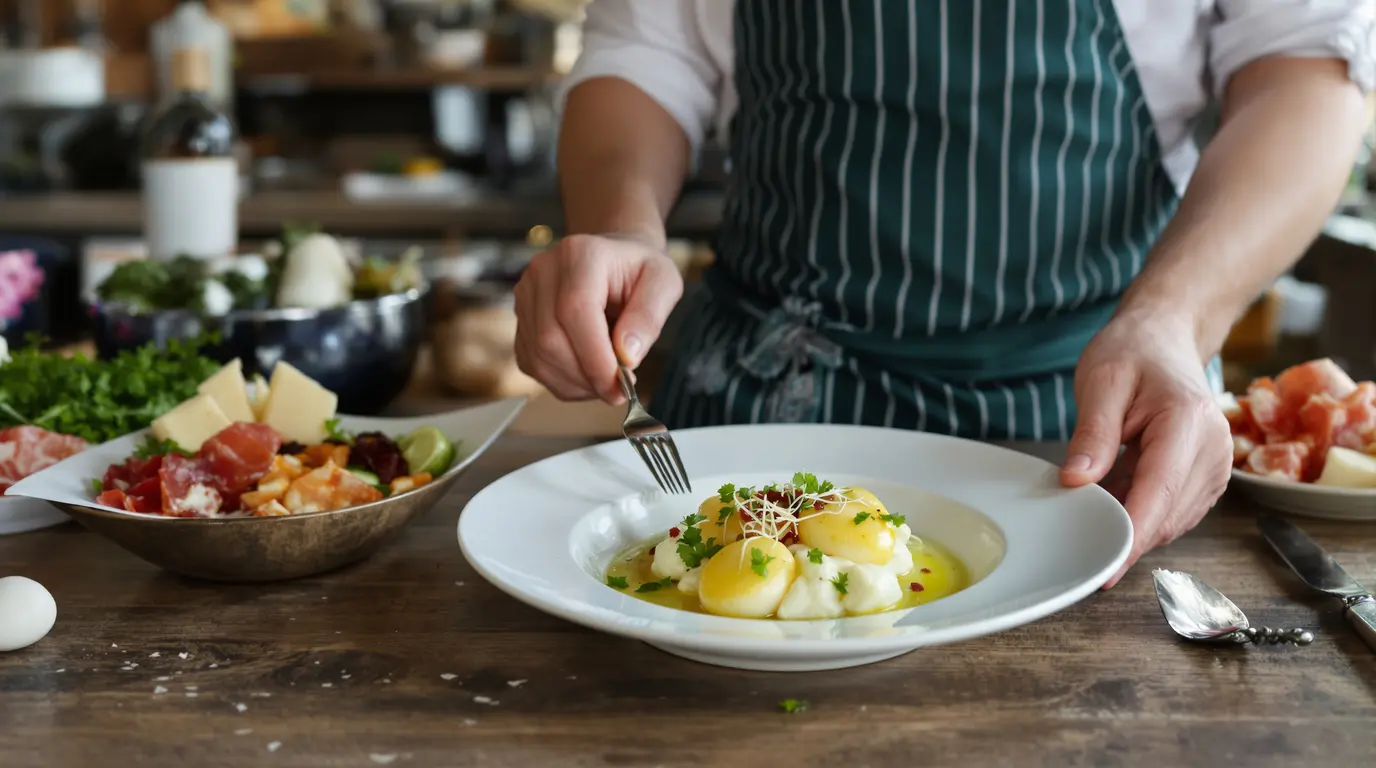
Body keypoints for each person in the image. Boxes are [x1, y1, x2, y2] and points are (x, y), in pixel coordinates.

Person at [514, 1, 1375, 585]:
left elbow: (1303, 72)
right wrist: (625, 229)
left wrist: (1173, 322)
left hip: (1092, 414)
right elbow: (645, 52)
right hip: (763, 405)